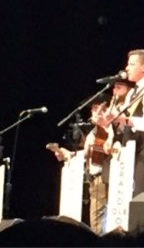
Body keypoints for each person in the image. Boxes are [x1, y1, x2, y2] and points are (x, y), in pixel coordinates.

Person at [50, 81, 133, 235]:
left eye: (97, 109)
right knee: (95, 220)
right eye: (93, 109)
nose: (94, 113)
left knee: (102, 219)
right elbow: (88, 152)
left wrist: (107, 135)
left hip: (107, 177)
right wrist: (69, 154)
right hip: (94, 178)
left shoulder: (112, 129)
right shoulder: (94, 132)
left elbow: (109, 148)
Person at [102, 49, 144, 197]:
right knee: (129, 196)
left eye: (131, 64)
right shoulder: (132, 93)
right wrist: (108, 122)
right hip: (134, 148)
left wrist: (122, 119)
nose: (126, 68)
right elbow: (125, 122)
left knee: (142, 197)